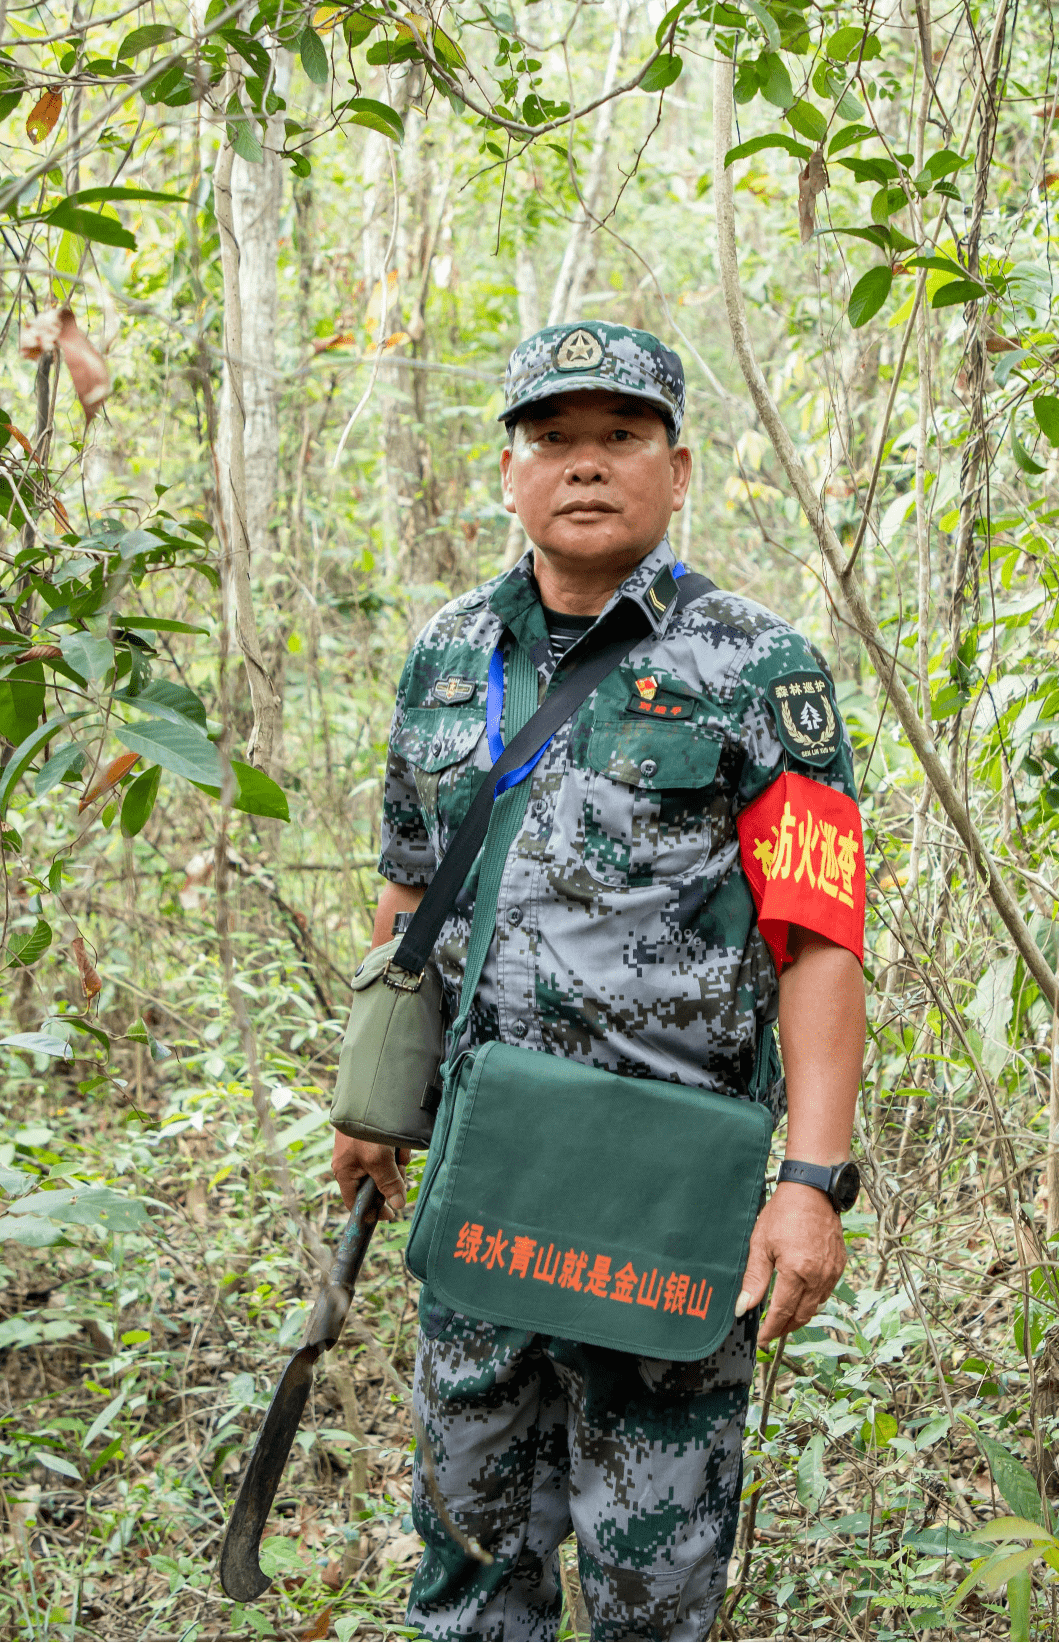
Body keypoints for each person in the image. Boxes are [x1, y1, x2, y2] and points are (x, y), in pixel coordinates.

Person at [331, 321, 867, 1641]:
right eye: (551, 438)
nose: (585, 465)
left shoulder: (759, 669)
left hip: (660, 1197)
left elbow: (819, 940)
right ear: (508, 470)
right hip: (484, 1177)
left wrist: (808, 1182)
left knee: (651, 1580)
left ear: (676, 469)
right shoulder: (450, 654)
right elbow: (410, 896)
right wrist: (370, 1099)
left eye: (619, 436)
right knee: (465, 1560)